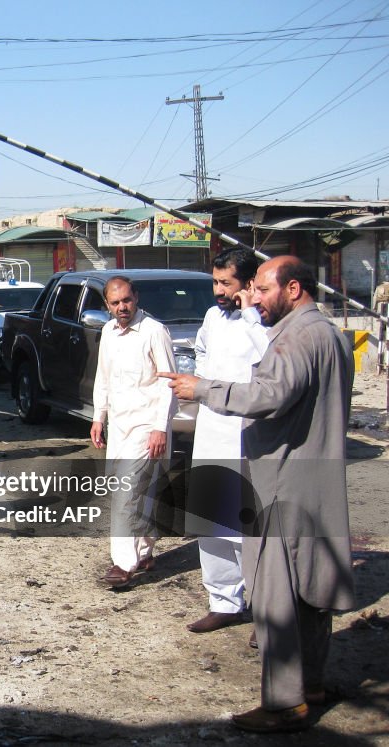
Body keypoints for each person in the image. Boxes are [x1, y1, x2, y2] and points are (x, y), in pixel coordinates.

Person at [163, 256, 354, 734]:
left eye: (263, 290)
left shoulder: (295, 338)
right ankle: (310, 686)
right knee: (310, 594)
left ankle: (285, 703)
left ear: (293, 288)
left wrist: (203, 388)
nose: (255, 299)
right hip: (317, 481)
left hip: (281, 483)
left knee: (274, 598)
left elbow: (267, 396)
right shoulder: (331, 334)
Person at [185, 249, 269, 634]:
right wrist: (201, 380)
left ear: (249, 284)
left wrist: (252, 312)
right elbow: (201, 348)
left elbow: (274, 360)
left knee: (247, 529)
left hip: (245, 436)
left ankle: (266, 612)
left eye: (226, 283)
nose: (218, 291)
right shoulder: (212, 317)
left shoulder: (264, 323)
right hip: (210, 431)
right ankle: (223, 601)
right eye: (214, 282)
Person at [90, 276, 176, 588]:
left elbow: (169, 382)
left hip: (146, 425)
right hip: (120, 425)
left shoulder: (154, 331)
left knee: (124, 492)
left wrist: (160, 427)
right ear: (107, 306)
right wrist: (99, 416)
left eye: (126, 300)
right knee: (140, 490)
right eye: (115, 303)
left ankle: (123, 564)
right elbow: (104, 377)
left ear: (136, 298)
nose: (122, 307)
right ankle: (144, 551)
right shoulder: (108, 332)